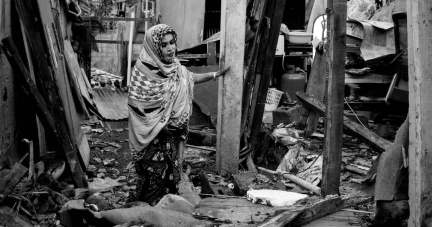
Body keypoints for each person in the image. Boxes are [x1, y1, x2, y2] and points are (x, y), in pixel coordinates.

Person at [128, 24, 229, 205]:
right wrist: (160, 126)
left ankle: (165, 212)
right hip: (153, 141)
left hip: (174, 136)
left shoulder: (175, 67)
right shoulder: (143, 72)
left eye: (172, 43)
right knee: (152, 179)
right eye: (164, 45)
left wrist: (215, 74)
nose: (170, 48)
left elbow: (189, 77)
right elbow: (138, 108)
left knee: (172, 176)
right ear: (155, 47)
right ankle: (142, 211)